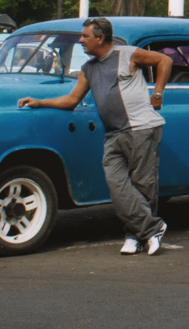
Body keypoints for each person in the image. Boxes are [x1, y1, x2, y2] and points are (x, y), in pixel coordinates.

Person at [20, 17, 174, 256]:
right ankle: (152, 228)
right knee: (117, 186)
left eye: (85, 36)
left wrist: (158, 92)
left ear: (100, 38)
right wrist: (40, 102)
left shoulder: (128, 54)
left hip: (141, 128)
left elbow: (164, 60)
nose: (80, 40)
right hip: (114, 133)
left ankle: (134, 235)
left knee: (143, 185)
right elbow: (72, 100)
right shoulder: (88, 69)